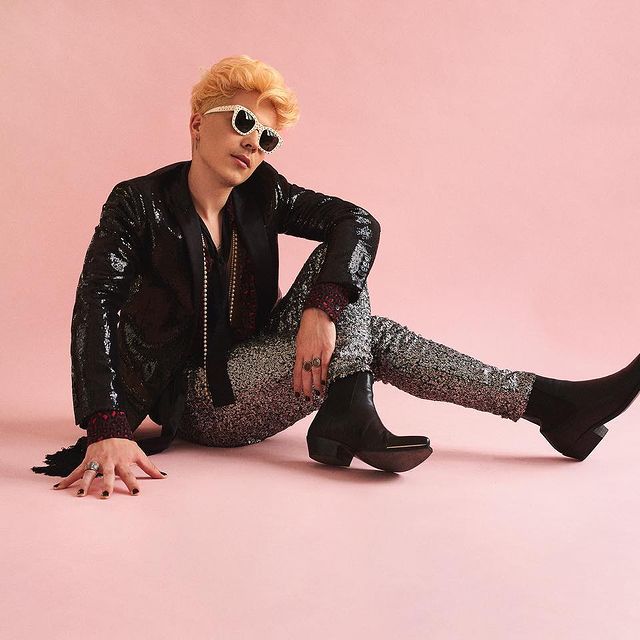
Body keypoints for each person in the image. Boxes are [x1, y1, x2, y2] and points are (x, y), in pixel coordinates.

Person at [32, 55, 640, 497]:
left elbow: (357, 221)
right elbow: (95, 305)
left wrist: (321, 310)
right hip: (197, 400)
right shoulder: (138, 203)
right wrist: (107, 424)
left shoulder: (263, 193)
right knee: (368, 332)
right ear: (197, 123)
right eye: (241, 121)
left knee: (349, 289)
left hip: (262, 362)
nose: (253, 144)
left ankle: (539, 407)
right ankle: (544, 405)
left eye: (267, 137)